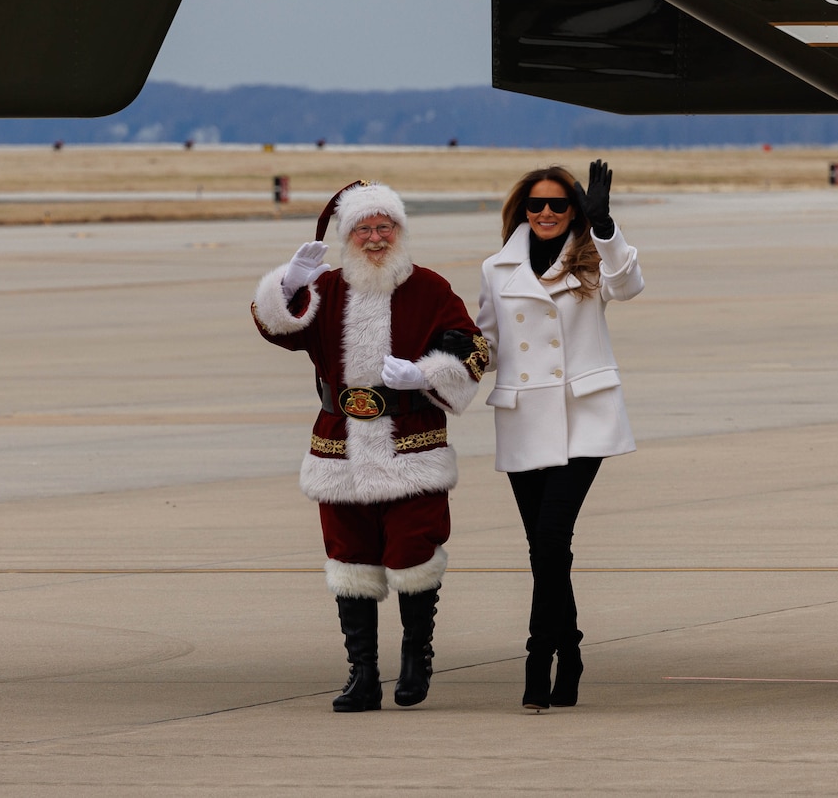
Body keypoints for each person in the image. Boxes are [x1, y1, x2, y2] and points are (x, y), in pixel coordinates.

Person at [253, 181, 488, 712]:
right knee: (349, 560)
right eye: (364, 228)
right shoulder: (328, 288)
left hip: (411, 444)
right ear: (347, 237)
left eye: (385, 227)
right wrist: (289, 284)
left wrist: (427, 374)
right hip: (339, 446)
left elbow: (473, 348)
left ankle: (415, 657)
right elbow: (278, 329)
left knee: (413, 553)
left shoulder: (429, 287)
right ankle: (361, 673)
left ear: (400, 232)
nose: (376, 238)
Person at [476, 160, 643, 712]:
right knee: (546, 551)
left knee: (550, 541)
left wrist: (605, 227)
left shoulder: (595, 260)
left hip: (583, 419)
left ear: (574, 209)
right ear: (522, 211)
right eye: (536, 205)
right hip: (524, 418)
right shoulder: (496, 269)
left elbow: (631, 285)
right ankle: (569, 651)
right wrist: (442, 364)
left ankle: (537, 658)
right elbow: (489, 342)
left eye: (558, 205)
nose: (546, 213)